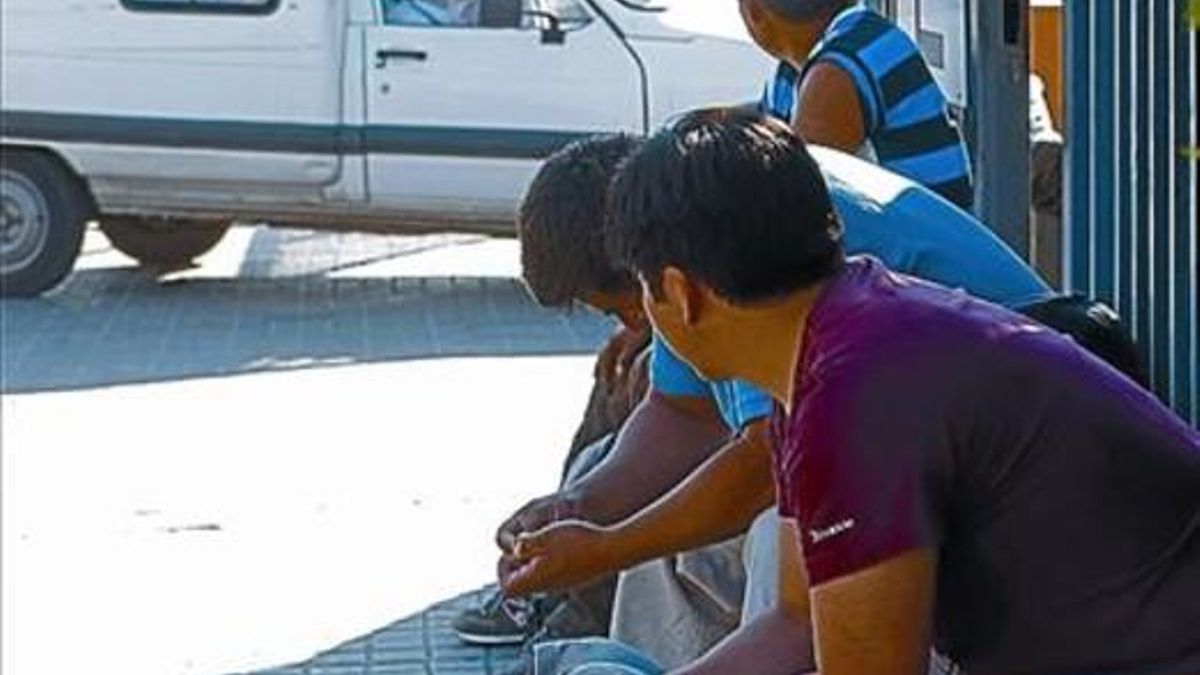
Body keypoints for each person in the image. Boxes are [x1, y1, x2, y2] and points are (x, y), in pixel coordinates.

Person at [507, 109, 1200, 674]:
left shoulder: (854, 395)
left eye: (641, 296)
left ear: (681, 294)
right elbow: (794, 619)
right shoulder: (836, 337)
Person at [746, 0, 974, 209]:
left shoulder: (837, 73)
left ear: (754, 11)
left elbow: (792, 209)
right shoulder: (804, 64)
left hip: (919, 252)